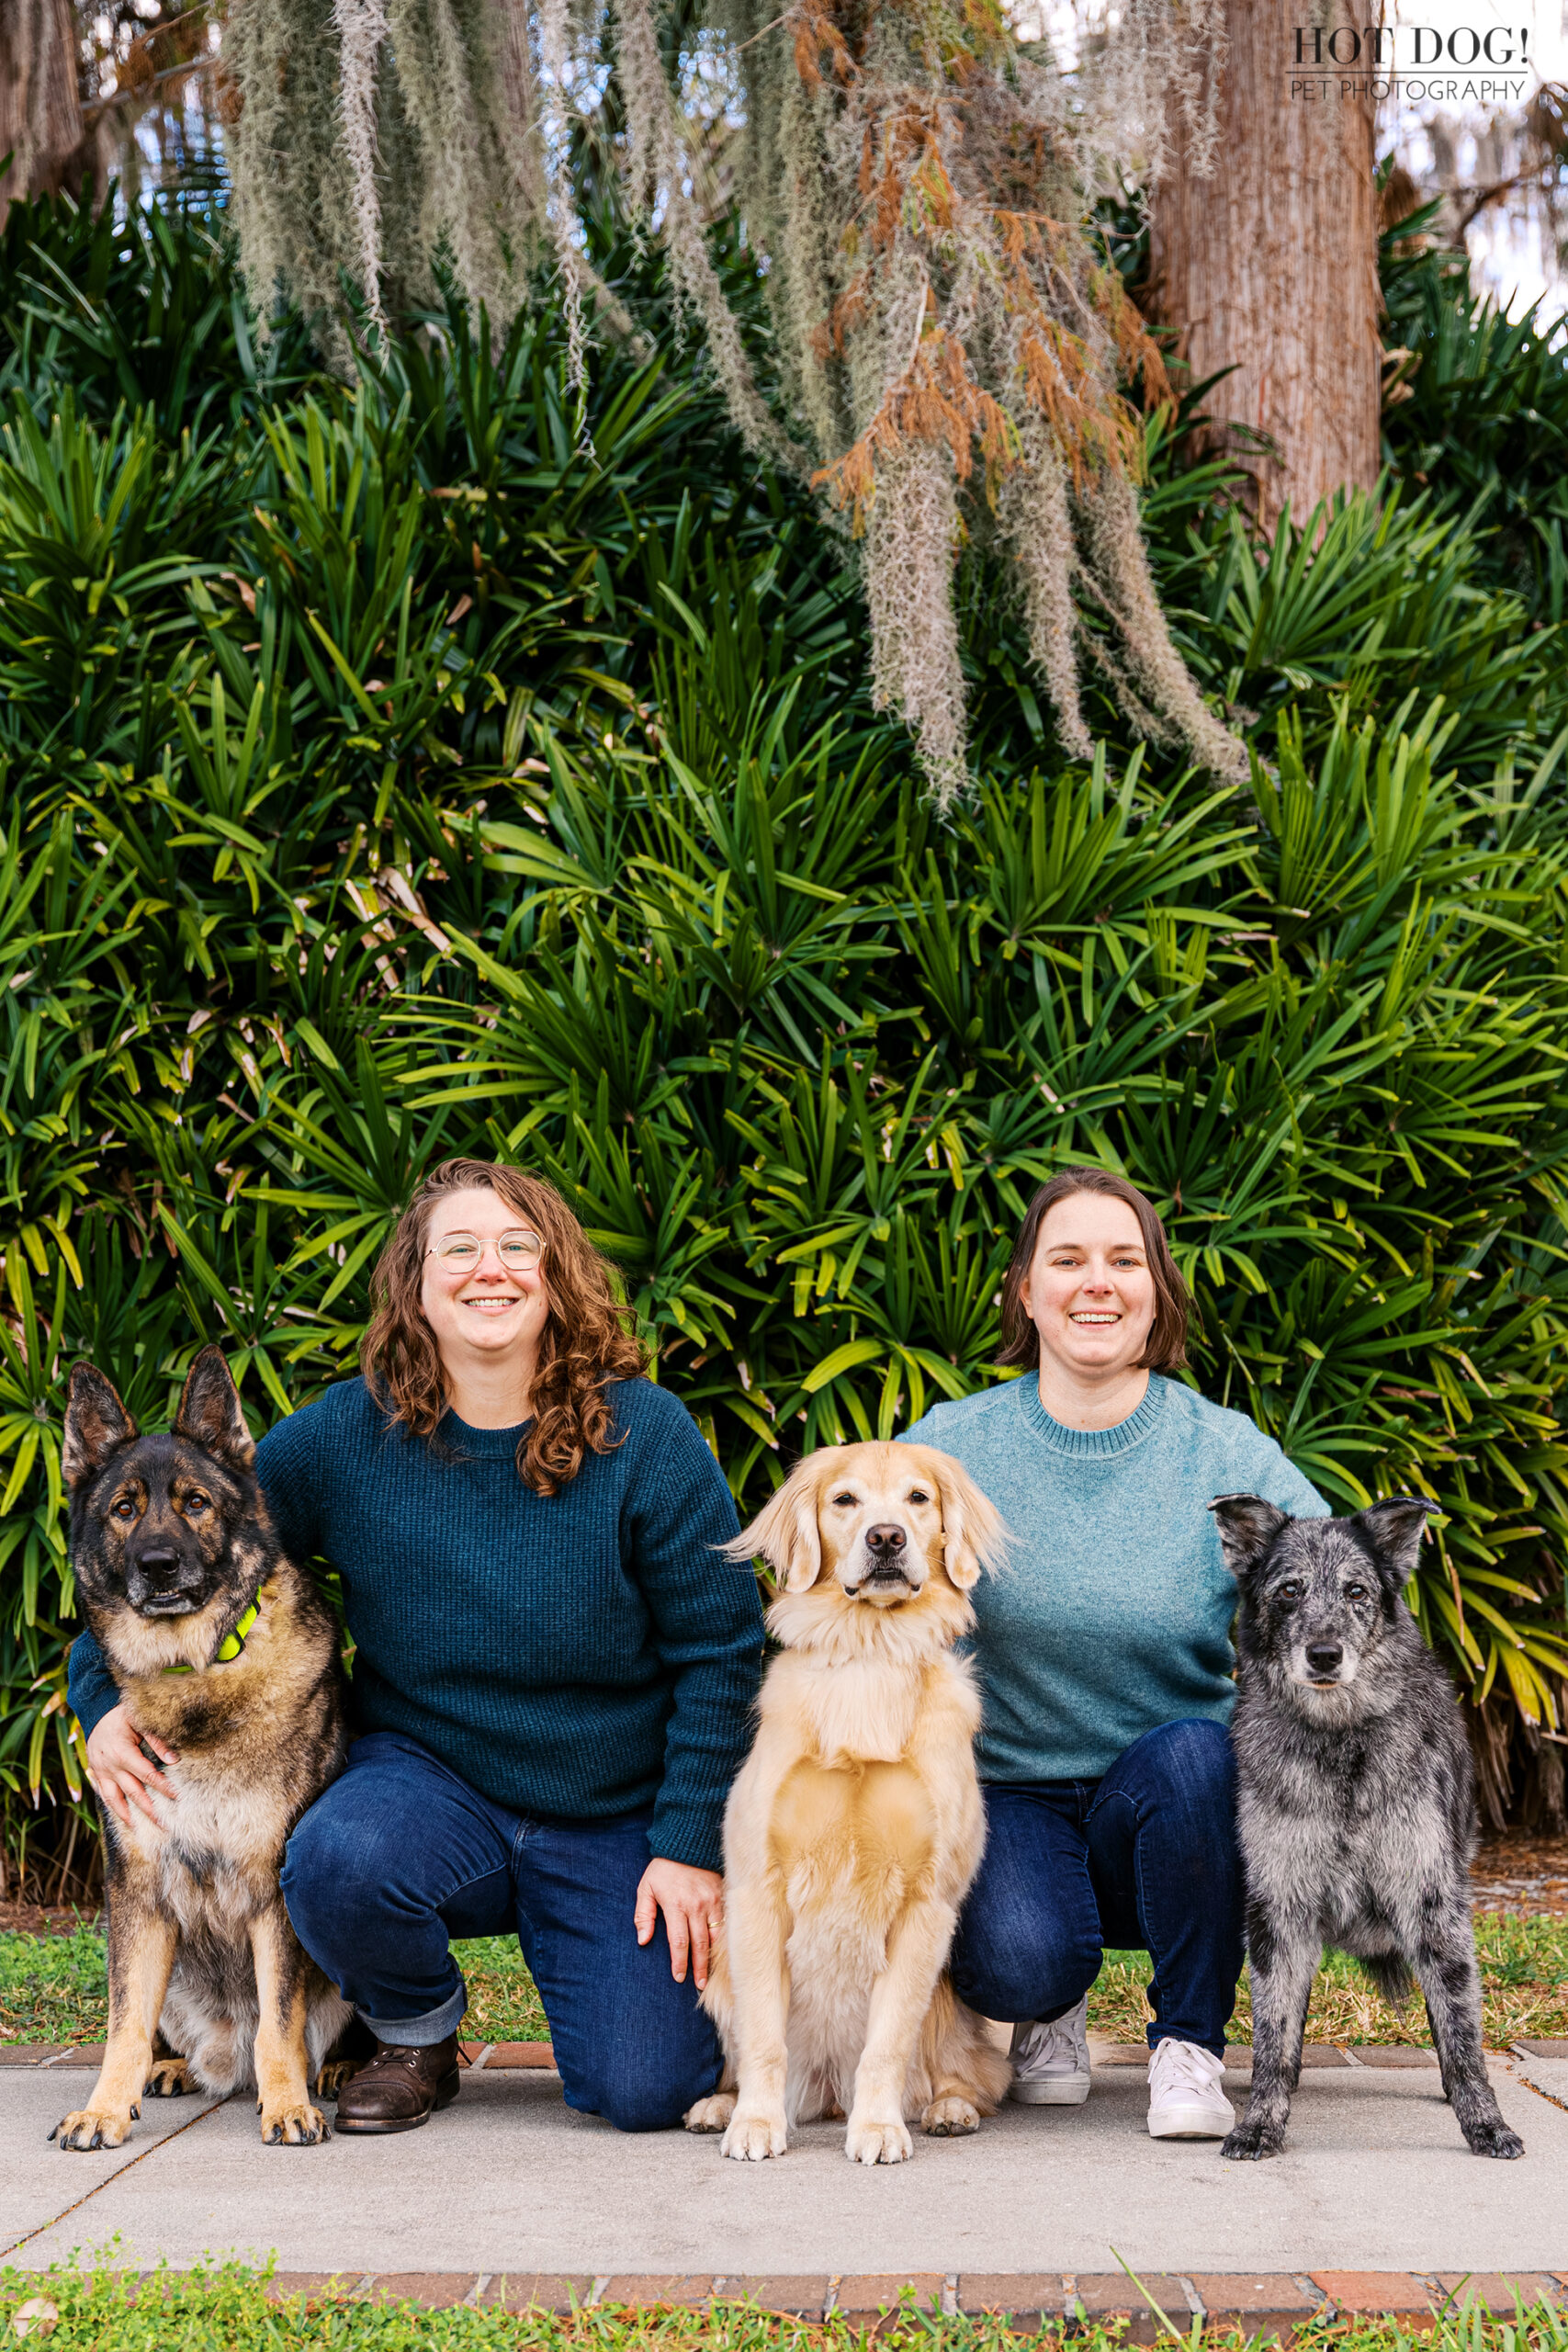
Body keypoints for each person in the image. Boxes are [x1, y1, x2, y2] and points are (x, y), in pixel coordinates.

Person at [68, 1158, 765, 2136]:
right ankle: (415, 2031)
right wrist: (98, 1698)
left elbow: (725, 1649)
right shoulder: (349, 1436)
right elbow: (185, 1550)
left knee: (648, 2085)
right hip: (427, 1788)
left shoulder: (644, 1434)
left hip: (609, 1808)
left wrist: (689, 1844)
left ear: (556, 1272)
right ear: (417, 1285)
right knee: (332, 1859)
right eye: (462, 1249)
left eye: (519, 1246)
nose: (493, 1269)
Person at [900, 1166, 1325, 2141]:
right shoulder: (949, 1447)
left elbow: (1335, 1586)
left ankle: (1189, 2046)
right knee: (1018, 1961)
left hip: (1175, 1806)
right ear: (1026, 1292)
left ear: (1158, 1292)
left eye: (1124, 1260)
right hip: (1004, 1790)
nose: (1098, 1282)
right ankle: (1049, 2012)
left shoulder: (1223, 1451)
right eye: (1069, 1259)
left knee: (1195, 1753)